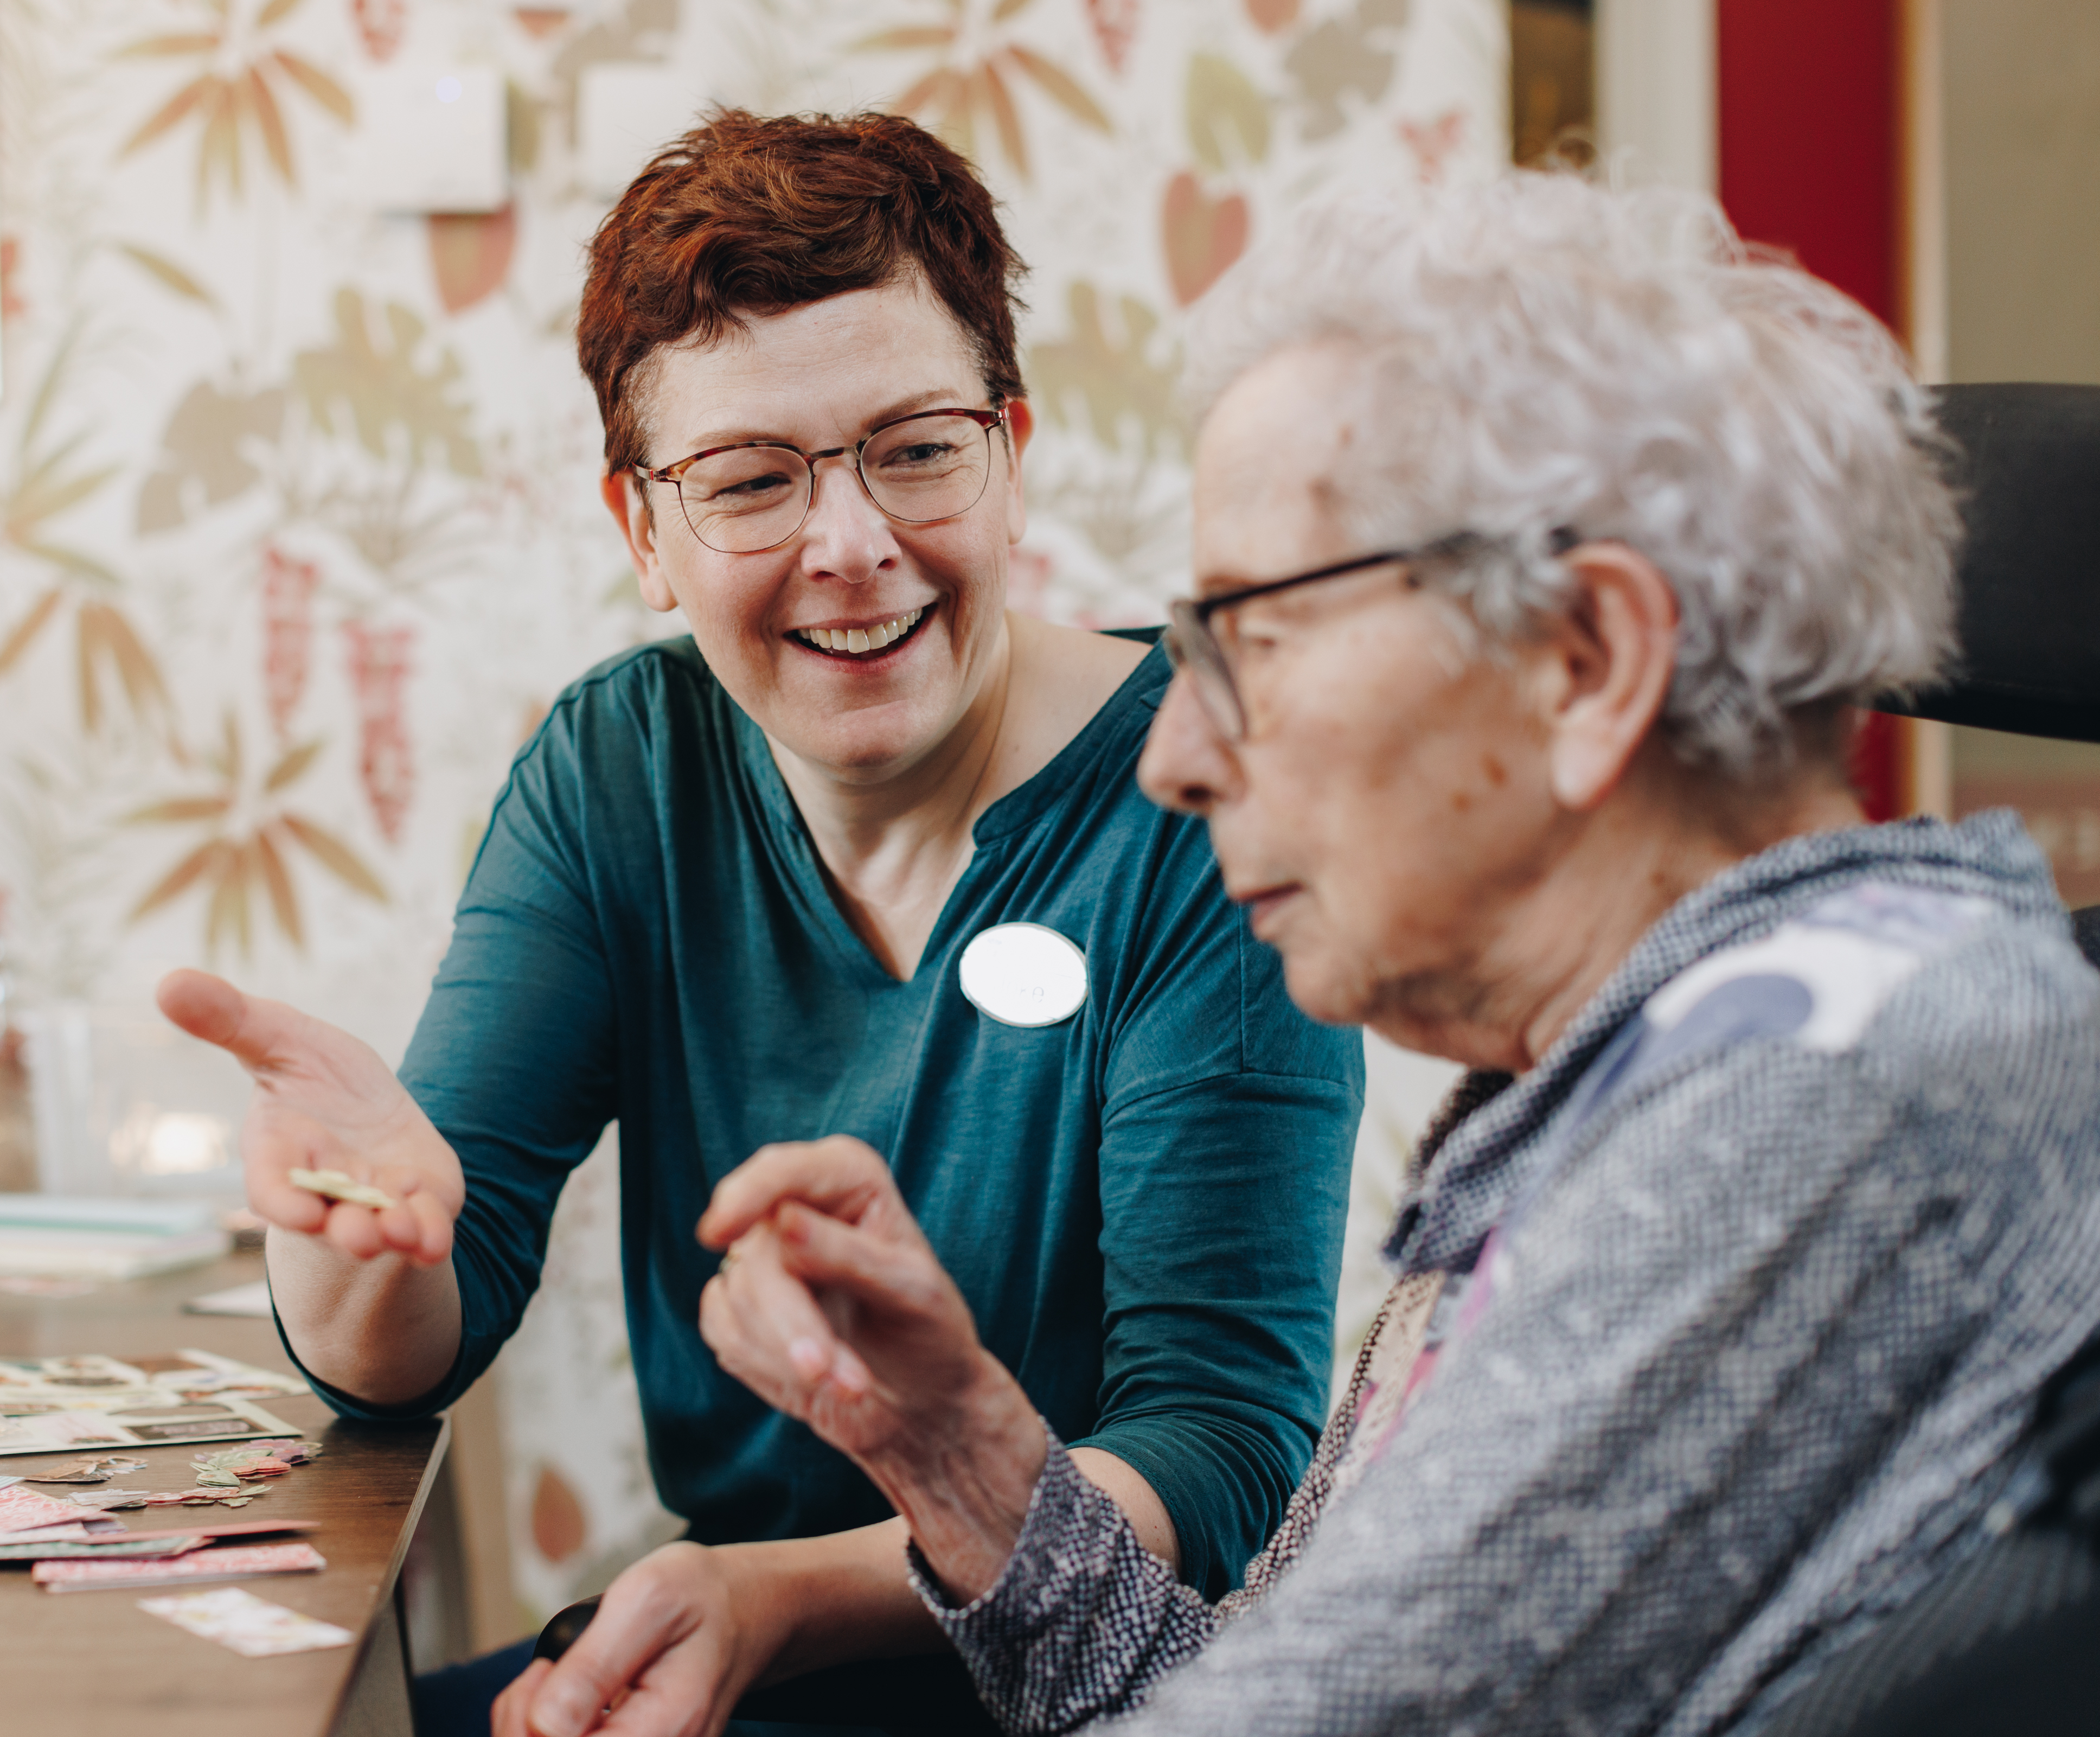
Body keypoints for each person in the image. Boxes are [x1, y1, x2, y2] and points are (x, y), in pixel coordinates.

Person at [633, 170, 2100, 1737]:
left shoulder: (1820, 1097)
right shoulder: (1696, 1067)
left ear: (1585, 661)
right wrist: (954, 1446)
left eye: (1249, 641)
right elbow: (1265, 1696)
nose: (1171, 756)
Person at [158, 111, 1361, 1733]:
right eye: (751, 479)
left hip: (1089, 1692)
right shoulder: (618, 771)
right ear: (644, 531)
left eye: (917, 448)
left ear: (1012, 453)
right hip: (723, 1650)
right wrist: (344, 1246)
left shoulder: (1203, 797)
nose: (851, 544)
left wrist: (774, 1600)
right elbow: (413, 1340)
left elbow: (1215, 1457)